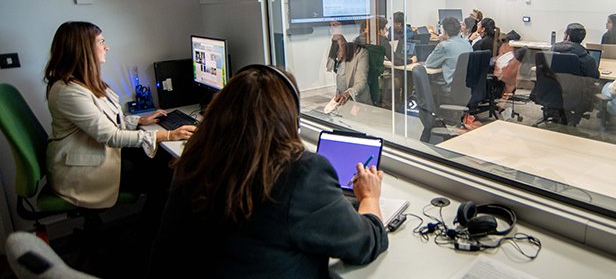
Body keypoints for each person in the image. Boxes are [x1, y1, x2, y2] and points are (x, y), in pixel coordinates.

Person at [149, 66, 388, 277]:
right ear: (293, 122)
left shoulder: (197, 157)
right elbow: (365, 243)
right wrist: (369, 197)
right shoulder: (300, 173)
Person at [44, 21, 195, 210]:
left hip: (96, 152)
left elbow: (108, 119)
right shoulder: (68, 91)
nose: (106, 47)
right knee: (165, 173)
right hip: (80, 169)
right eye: (101, 42)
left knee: (165, 163)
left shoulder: (84, 81)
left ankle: (157, 223)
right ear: (82, 49)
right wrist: (167, 135)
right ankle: (157, 229)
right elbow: (109, 135)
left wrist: (139, 120)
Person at [425, 16, 473, 88]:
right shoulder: (467, 44)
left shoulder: (444, 46)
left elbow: (429, 63)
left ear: (444, 31)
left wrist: (441, 42)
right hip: (467, 87)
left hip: (451, 87)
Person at [331, 35, 371, 105]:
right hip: (343, 102)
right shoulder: (336, 58)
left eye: (340, 49)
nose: (339, 54)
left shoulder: (361, 53)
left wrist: (348, 94)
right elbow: (339, 81)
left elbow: (361, 83)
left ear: (345, 44)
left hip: (359, 101)